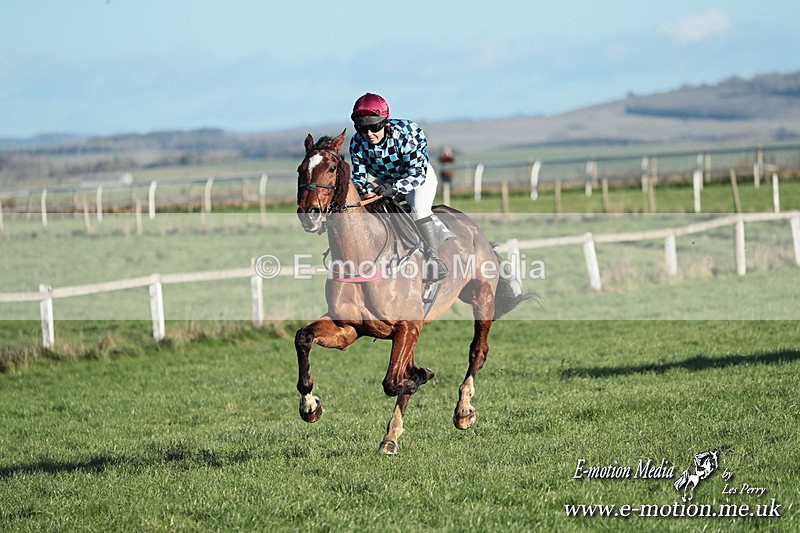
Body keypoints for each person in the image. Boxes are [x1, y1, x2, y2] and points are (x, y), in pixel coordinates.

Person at [348, 92, 449, 280]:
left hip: (417, 177)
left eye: (374, 127)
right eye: (363, 129)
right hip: (385, 180)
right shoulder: (356, 142)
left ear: (385, 121)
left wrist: (394, 188)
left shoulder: (408, 132)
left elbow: (417, 174)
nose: (369, 134)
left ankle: (434, 261)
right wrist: (364, 189)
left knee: (418, 209)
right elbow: (360, 177)